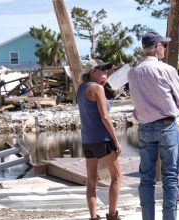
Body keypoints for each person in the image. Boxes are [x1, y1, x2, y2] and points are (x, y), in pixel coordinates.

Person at [127, 31, 179, 220]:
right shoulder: (166, 70)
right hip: (166, 126)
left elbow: (136, 104)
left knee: (146, 179)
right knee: (170, 178)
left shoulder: (133, 73)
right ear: (157, 47)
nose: (165, 49)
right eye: (164, 45)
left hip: (144, 127)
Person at [77, 59, 122, 220]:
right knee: (116, 177)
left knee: (91, 182)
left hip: (87, 140)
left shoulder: (81, 88)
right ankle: (112, 215)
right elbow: (105, 117)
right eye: (101, 69)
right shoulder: (97, 88)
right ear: (92, 72)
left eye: (106, 69)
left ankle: (93, 217)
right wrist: (116, 141)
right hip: (102, 139)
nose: (105, 72)